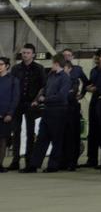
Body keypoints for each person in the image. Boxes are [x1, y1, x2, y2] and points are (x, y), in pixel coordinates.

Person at [21, 53, 69, 173]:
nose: (51, 65)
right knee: (42, 138)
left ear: (57, 64)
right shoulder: (51, 75)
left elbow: (62, 96)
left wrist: (45, 99)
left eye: (52, 63)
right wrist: (38, 99)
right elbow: (45, 89)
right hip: (47, 111)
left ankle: (53, 165)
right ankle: (33, 165)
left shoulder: (65, 78)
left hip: (58, 111)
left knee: (56, 139)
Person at [9, 43, 45, 171]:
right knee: (16, 132)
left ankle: (29, 162)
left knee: (30, 133)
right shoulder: (16, 69)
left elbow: (43, 86)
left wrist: (37, 100)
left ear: (33, 55)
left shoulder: (39, 68)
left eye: (28, 53)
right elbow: (11, 86)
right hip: (17, 104)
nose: (25, 55)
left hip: (31, 104)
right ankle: (15, 161)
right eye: (23, 53)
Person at [83, 50, 101, 169]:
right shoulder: (93, 71)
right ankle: (92, 159)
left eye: (99, 58)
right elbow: (90, 84)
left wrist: (95, 89)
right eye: (95, 59)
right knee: (92, 132)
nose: (97, 61)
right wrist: (87, 88)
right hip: (94, 102)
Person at [0, 57, 21, 172]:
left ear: (7, 66)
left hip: (5, 115)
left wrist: (10, 113)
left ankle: (0, 163)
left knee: (3, 140)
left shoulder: (13, 80)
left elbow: (15, 98)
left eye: (1, 64)